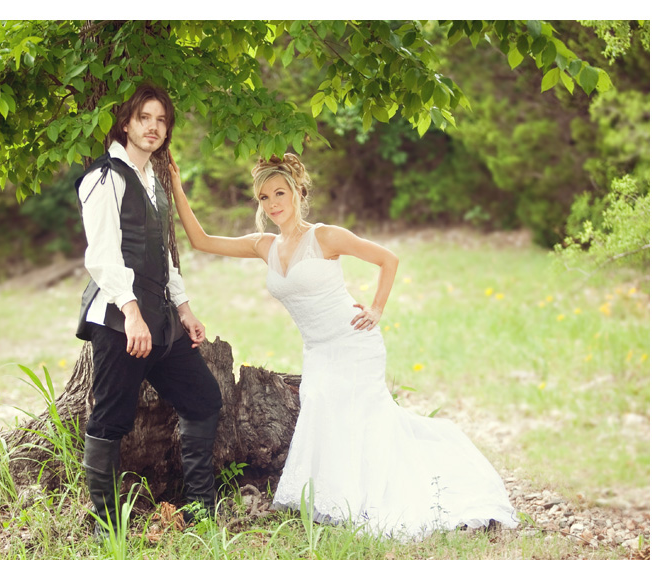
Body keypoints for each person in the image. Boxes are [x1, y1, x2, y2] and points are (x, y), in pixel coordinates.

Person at [168, 152, 518, 540]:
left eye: (279, 193)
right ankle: (339, 500)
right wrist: (176, 186)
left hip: (353, 342)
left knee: (357, 417)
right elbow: (201, 241)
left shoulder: (325, 236)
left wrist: (376, 308)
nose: (273, 204)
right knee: (322, 410)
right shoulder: (263, 245)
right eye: (264, 198)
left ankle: (372, 499)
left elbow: (388, 259)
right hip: (317, 350)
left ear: (298, 192)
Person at [74, 83, 222, 538]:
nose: (154, 127)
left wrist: (185, 308)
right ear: (126, 122)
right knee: (110, 420)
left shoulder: (152, 181)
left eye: (161, 121)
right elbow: (102, 257)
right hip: (121, 323)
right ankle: (105, 527)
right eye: (145, 118)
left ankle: (200, 509)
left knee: (203, 400)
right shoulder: (105, 178)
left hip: (161, 322)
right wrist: (133, 313)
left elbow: (163, 254)